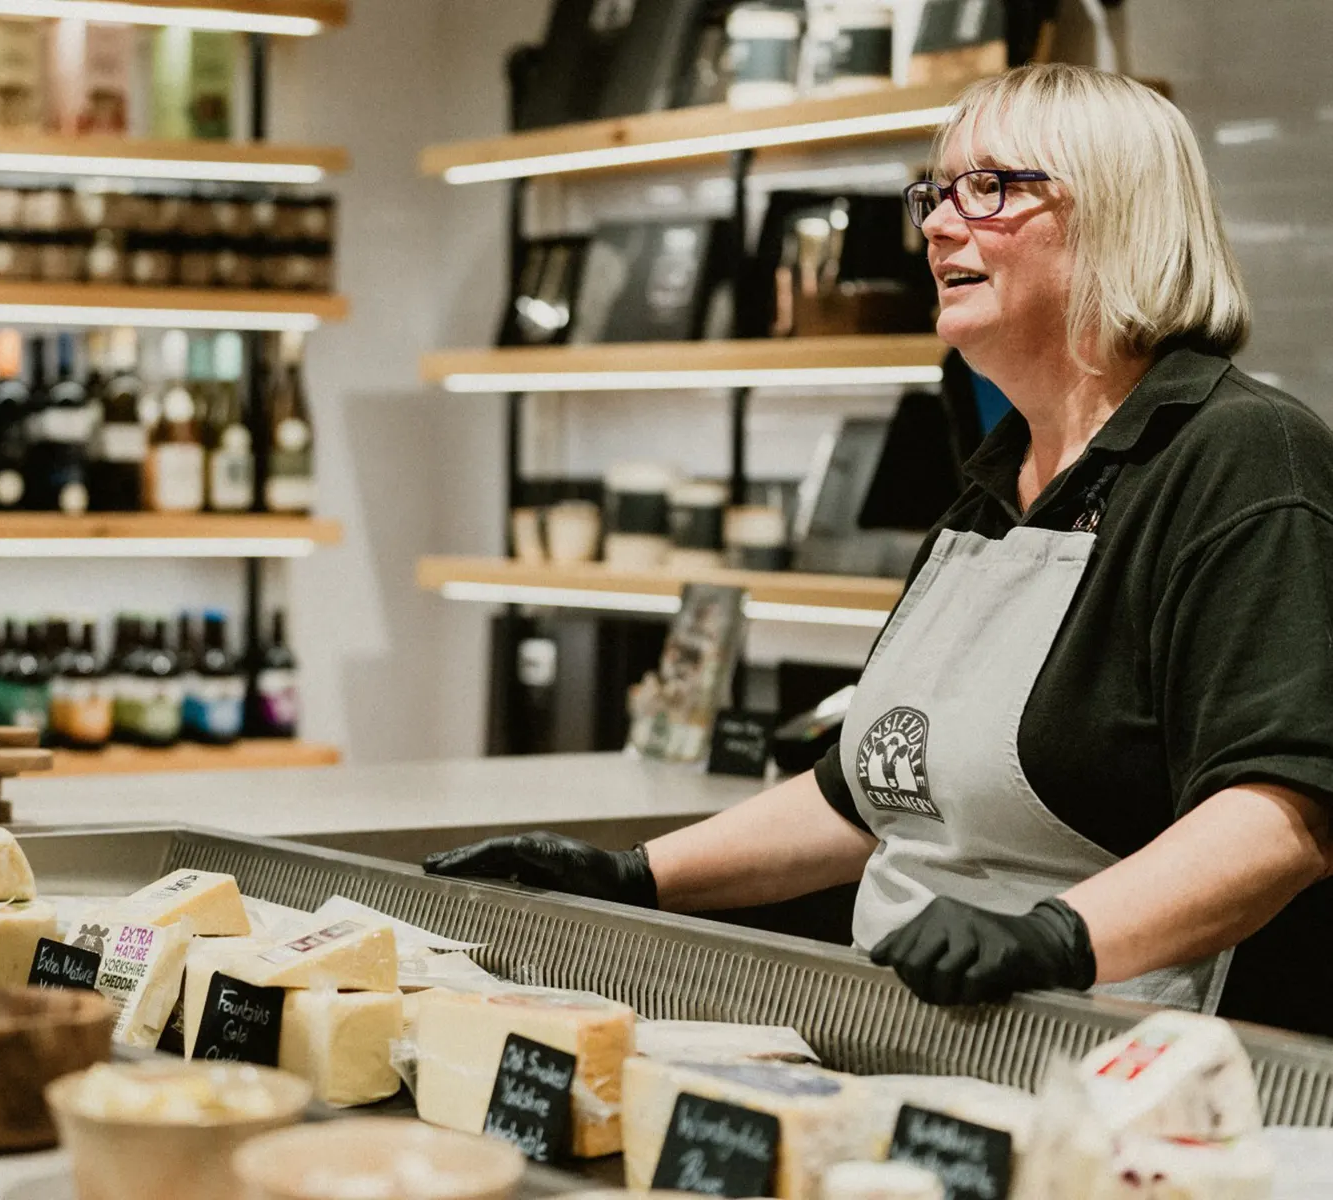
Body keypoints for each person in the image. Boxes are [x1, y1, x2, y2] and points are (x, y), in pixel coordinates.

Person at [427, 63, 1333, 1036]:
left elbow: (1282, 816)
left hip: (1125, 1078)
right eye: (936, 193)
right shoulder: (995, 487)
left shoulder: (1241, 460)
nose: (940, 225)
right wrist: (632, 874)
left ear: (1122, 213)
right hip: (917, 1043)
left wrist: (1057, 939)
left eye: (990, 188)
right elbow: (864, 794)